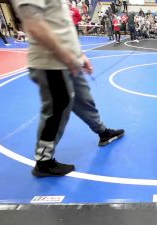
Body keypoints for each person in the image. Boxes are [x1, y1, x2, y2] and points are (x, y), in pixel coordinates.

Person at [12, 0, 125, 177]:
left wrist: (79, 55)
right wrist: (67, 56)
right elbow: (34, 24)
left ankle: (103, 133)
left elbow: (61, 25)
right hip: (51, 62)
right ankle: (44, 161)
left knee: (83, 98)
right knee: (58, 107)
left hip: (68, 60)